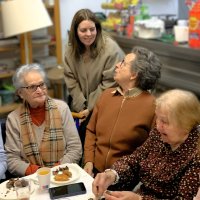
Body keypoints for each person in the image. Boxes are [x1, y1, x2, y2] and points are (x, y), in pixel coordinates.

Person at [92, 89, 200, 200]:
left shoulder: (196, 155)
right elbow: (134, 161)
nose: (158, 125)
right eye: (157, 117)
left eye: (165, 121)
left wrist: (140, 199)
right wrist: (112, 175)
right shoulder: (158, 135)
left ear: (186, 125)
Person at [84, 46, 162, 176]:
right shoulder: (106, 95)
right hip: (94, 172)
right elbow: (91, 130)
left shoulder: (153, 106)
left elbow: (154, 150)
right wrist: (88, 161)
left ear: (134, 74)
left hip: (125, 178)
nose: (117, 65)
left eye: (123, 63)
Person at [5, 63, 82, 177]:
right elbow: (12, 160)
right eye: (32, 87)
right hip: (32, 181)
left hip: (63, 175)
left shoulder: (62, 108)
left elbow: (75, 148)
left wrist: (55, 170)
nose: (40, 90)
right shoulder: (13, 119)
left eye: (42, 84)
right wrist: (39, 173)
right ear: (20, 93)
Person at [63, 9, 124, 146]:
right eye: (83, 30)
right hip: (81, 105)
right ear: (75, 31)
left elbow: (108, 84)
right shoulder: (70, 49)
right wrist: (81, 107)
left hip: (106, 102)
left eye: (92, 29)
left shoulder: (110, 49)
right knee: (73, 139)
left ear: (97, 28)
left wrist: (89, 108)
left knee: (92, 139)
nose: (89, 34)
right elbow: (71, 80)